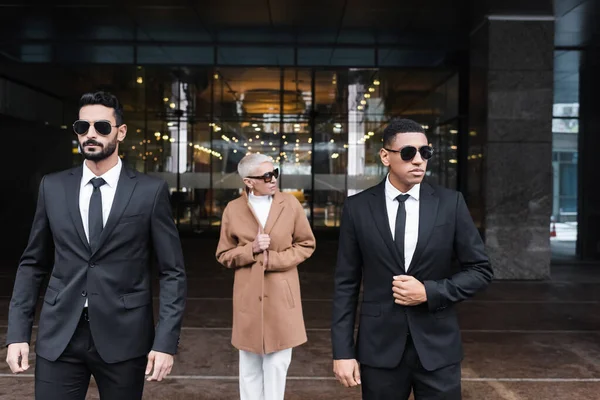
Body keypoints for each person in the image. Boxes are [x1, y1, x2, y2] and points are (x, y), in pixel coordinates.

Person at [5, 91, 187, 400]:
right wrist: (17, 334)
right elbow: (33, 263)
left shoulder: (150, 191)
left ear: (121, 131)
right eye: (82, 126)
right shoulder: (53, 186)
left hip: (125, 337)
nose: (91, 134)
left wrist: (165, 342)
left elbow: (173, 272)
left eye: (102, 127)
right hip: (60, 334)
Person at [331, 118, 493, 400]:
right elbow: (346, 284)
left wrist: (430, 291)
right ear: (385, 156)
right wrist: (343, 352)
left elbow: (480, 270)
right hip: (379, 348)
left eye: (425, 152)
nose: (418, 160)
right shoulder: (358, 208)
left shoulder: (450, 203)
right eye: (408, 153)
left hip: (438, 348)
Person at [215, 153, 316, 400]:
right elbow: (224, 254)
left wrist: (274, 259)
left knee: (277, 367)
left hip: (282, 299)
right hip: (248, 299)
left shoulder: (290, 205)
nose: (274, 180)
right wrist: (251, 250)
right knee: (249, 370)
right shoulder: (233, 209)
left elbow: (306, 244)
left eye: (275, 173)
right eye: (267, 176)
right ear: (249, 182)